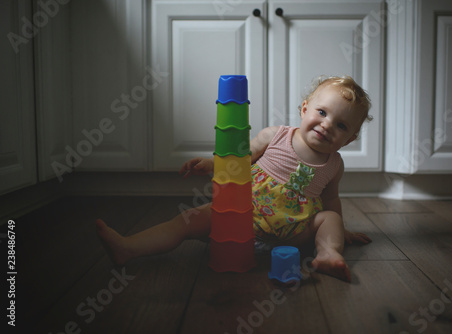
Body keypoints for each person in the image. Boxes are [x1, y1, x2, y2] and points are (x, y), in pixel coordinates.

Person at [97, 75, 372, 282]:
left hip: (292, 232)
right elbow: (238, 158)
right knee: (187, 219)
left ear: (350, 139)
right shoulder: (275, 135)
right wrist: (210, 164)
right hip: (240, 215)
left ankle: (328, 254)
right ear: (304, 109)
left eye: (341, 125)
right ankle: (129, 247)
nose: (326, 125)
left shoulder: (334, 164)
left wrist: (339, 232)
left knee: (330, 219)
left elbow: (330, 199)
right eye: (322, 113)